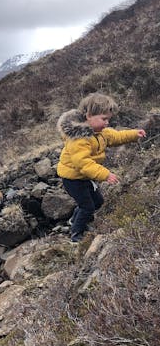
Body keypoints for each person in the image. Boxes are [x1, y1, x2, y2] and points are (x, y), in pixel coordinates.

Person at [56, 93, 146, 242]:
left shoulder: (100, 133)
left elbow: (117, 136)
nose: (107, 123)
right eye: (104, 119)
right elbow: (83, 163)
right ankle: (76, 234)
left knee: (97, 203)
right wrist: (105, 174)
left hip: (86, 176)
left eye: (108, 119)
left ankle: (74, 219)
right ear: (89, 116)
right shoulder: (79, 139)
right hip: (73, 179)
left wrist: (134, 134)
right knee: (87, 207)